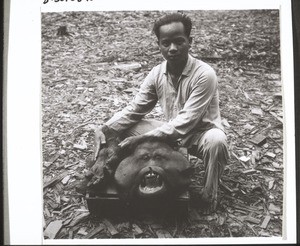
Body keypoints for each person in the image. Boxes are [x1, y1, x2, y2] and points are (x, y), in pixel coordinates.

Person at [93, 13, 229, 213]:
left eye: (179, 42)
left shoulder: (204, 74)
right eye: (166, 43)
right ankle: (122, 175)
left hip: (200, 133)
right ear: (159, 45)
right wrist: (105, 128)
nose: (172, 48)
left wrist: (141, 139)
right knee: (125, 128)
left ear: (189, 42)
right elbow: (136, 107)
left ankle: (209, 195)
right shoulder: (157, 73)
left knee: (217, 140)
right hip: (171, 132)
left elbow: (187, 120)